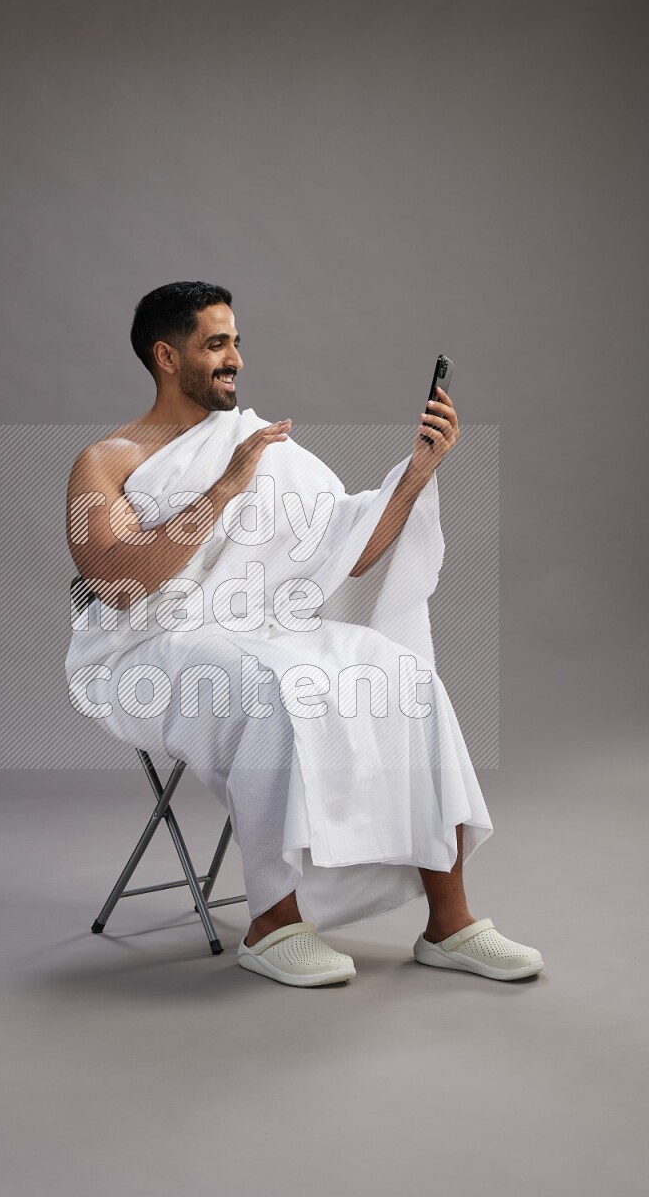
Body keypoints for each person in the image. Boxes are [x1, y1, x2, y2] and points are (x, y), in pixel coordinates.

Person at [64, 281, 544, 988]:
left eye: (236, 343)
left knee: (401, 672)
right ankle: (273, 924)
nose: (235, 359)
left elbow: (348, 553)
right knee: (270, 689)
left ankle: (449, 924)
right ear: (167, 357)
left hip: (264, 625)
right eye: (216, 345)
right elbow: (114, 581)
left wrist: (417, 473)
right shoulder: (107, 460)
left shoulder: (261, 445)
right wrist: (225, 489)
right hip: (149, 647)